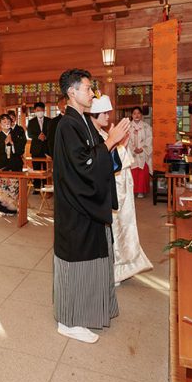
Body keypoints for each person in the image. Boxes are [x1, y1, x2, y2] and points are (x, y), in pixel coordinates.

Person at [52, 69, 130, 344]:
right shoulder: (67, 125)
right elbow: (81, 165)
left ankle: (89, 312)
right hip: (76, 207)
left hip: (89, 205)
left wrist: (112, 144)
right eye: (87, 88)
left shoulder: (84, 122)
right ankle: (68, 320)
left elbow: (99, 157)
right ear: (72, 92)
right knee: (77, 263)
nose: (92, 93)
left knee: (95, 260)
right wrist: (110, 141)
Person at [88, 95, 153, 284]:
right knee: (116, 229)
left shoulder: (101, 133)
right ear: (95, 114)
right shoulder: (95, 136)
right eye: (105, 113)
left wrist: (119, 144)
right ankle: (114, 271)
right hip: (110, 189)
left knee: (123, 226)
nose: (108, 117)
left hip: (119, 187)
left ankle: (122, 267)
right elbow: (105, 161)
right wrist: (121, 147)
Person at [0, 113, 25, 216]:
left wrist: (13, 143)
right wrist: (4, 143)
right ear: (0, 124)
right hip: (2, 165)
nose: (6, 124)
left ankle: (12, 210)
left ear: (11, 123)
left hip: (14, 164)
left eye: (8, 122)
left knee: (13, 187)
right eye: (4, 122)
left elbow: (21, 150)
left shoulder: (16, 134)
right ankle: (2, 210)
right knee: (2, 188)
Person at [127, 107, 153, 198]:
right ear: (132, 115)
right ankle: (133, 191)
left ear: (141, 115)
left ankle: (141, 191)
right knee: (133, 172)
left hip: (143, 152)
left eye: (138, 113)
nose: (136, 115)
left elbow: (149, 139)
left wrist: (142, 148)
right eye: (134, 113)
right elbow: (126, 140)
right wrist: (133, 148)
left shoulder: (146, 127)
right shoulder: (128, 127)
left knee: (142, 172)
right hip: (132, 153)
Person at [26, 101, 50, 192]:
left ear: (44, 110)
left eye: (41, 110)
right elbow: (29, 134)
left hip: (46, 149)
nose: (40, 111)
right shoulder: (31, 122)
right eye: (37, 110)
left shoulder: (49, 120)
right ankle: (36, 188)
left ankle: (45, 187)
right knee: (35, 169)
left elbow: (52, 133)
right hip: (35, 149)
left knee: (46, 169)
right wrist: (38, 137)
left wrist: (46, 136)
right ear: (35, 111)